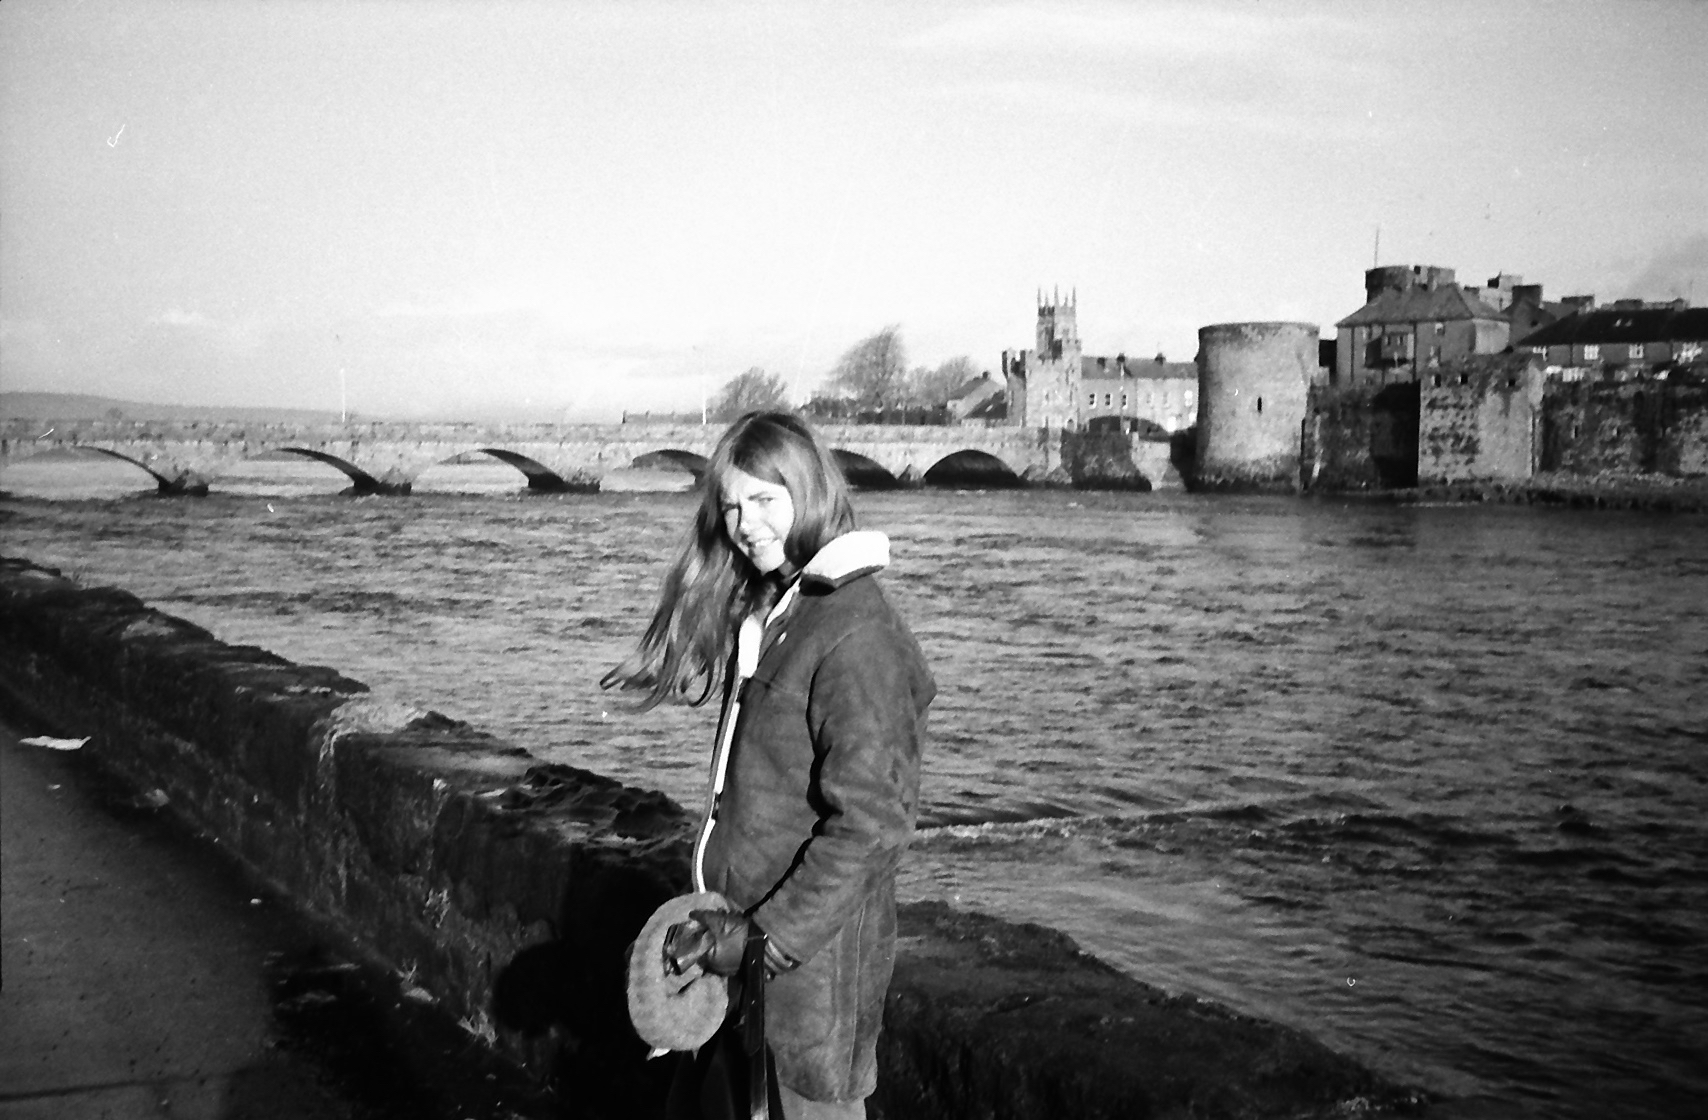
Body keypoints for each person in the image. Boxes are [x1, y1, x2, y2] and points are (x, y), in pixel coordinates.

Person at [604, 411, 934, 1119]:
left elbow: (873, 825)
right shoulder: (784, 613)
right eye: (729, 505)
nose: (743, 524)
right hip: (742, 981)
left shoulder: (856, 633)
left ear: (810, 492)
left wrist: (763, 942)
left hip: (806, 1004)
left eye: (763, 500)